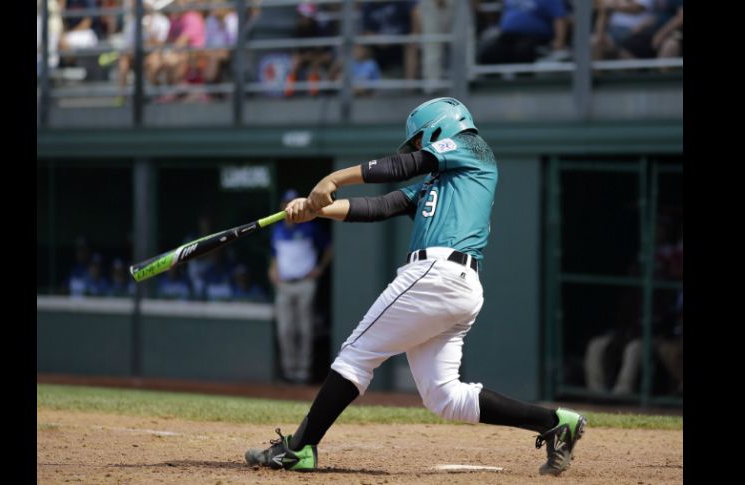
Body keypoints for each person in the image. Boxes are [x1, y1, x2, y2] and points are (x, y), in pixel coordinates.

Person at [245, 98, 586, 476]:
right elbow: (381, 206)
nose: (419, 149)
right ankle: (555, 422)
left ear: (439, 128)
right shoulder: (440, 181)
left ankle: (301, 447)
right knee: (445, 397)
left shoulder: (473, 147)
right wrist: (316, 209)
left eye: (421, 141)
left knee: (356, 356)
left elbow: (405, 165)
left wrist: (333, 179)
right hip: (455, 284)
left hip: (436, 274)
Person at [269, 189, 333, 384]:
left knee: (304, 329)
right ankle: (289, 372)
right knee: (285, 330)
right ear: (282, 206)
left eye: (292, 202)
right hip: (284, 284)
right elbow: (275, 256)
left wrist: (319, 268)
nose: (289, 206)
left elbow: (330, 247)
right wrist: (272, 271)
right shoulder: (277, 230)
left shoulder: (310, 228)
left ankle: (303, 372)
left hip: (305, 283)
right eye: (286, 202)